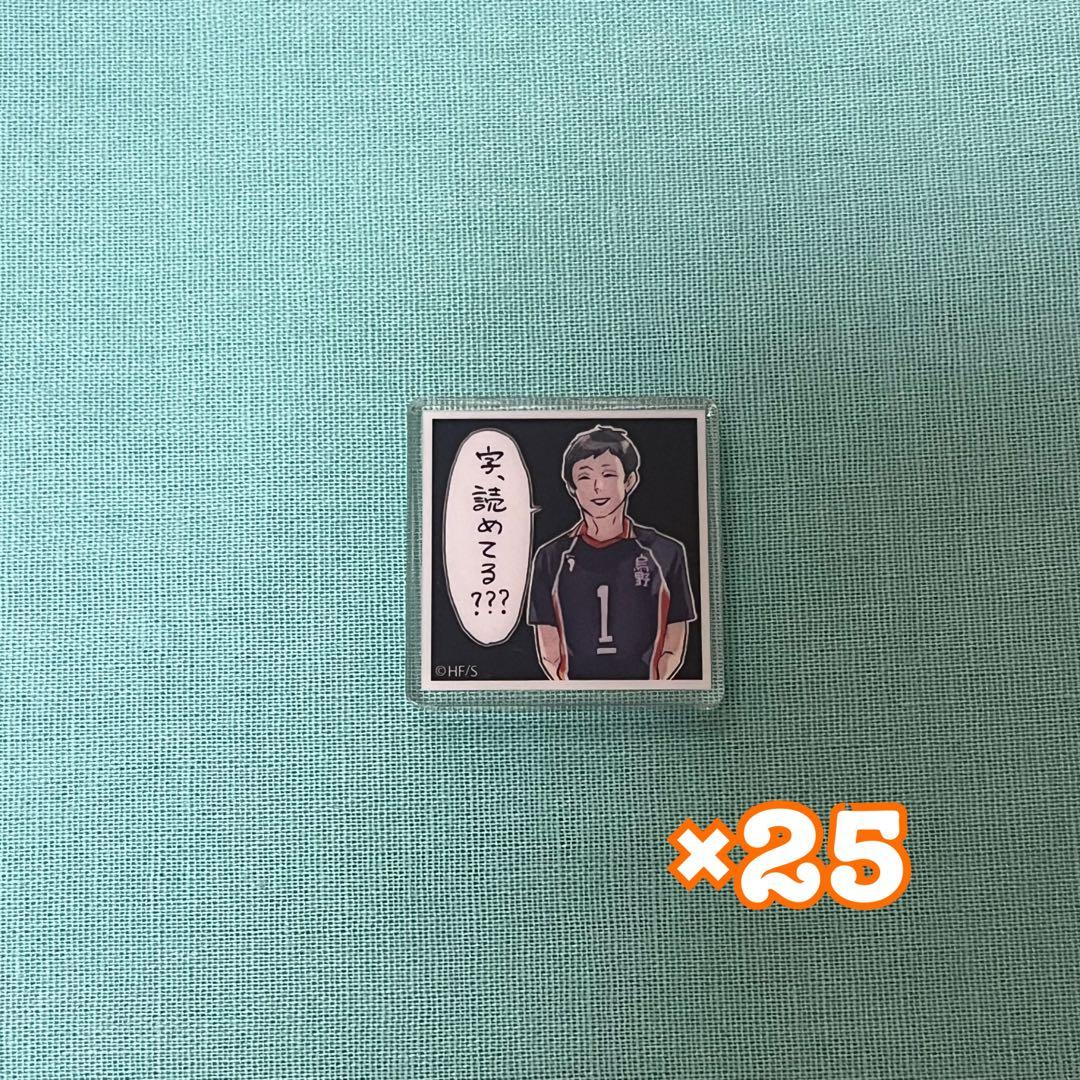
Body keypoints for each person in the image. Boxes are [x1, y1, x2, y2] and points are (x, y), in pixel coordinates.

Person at [526, 425, 696, 680]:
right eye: (584, 477)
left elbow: (674, 643)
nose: (598, 487)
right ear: (571, 488)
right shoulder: (550, 557)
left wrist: (652, 688)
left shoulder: (665, 552)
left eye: (608, 474)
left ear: (629, 481)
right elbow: (548, 650)